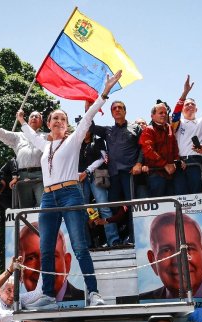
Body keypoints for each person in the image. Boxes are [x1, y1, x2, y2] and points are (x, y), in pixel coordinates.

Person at [16, 71, 123, 309]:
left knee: (79, 246)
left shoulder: (73, 140)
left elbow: (88, 116)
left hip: (71, 194)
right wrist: (22, 121)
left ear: (66, 125)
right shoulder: (44, 145)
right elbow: (31, 137)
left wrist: (104, 92)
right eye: (54, 119)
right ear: (49, 123)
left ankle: (93, 293)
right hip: (48, 197)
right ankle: (48, 295)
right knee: (46, 249)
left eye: (62, 120)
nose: (58, 122)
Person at [0, 101, 45, 208]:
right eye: (32, 116)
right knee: (25, 209)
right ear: (27, 121)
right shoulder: (18, 136)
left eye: (37, 116)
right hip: (22, 176)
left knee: (44, 206)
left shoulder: (47, 136)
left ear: (42, 122)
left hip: (41, 175)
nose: (34, 118)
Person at [138, 212, 202, 300]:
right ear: (153, 261)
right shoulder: (144, 302)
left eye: (188, 248)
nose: (179, 260)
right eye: (166, 250)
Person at [90, 100, 146, 203]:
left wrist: (139, 163)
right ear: (111, 114)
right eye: (114, 108)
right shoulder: (108, 130)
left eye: (120, 107)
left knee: (132, 204)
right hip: (113, 174)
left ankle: (132, 220)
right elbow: (90, 126)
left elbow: (143, 147)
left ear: (125, 111)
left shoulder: (136, 128)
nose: (117, 109)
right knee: (113, 203)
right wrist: (89, 108)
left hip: (130, 173)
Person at [172, 74, 202, 194]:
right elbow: (175, 114)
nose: (189, 106)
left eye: (192, 104)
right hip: (180, 163)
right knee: (181, 195)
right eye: (186, 104)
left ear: (196, 109)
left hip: (196, 164)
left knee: (198, 195)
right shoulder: (178, 123)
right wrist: (185, 93)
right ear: (182, 110)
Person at [17, 222, 84, 302]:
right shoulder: (16, 303)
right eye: (31, 258)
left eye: (51, 256)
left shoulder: (84, 299)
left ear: (67, 263)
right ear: (20, 268)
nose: (42, 268)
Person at [77, 128, 120, 247]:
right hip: (79, 179)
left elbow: (103, 158)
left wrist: (87, 170)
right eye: (82, 128)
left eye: (87, 129)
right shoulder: (75, 143)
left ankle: (113, 240)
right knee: (81, 211)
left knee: (104, 208)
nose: (84, 131)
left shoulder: (99, 141)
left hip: (96, 177)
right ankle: (85, 244)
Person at [139, 102, 178, 197]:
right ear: (152, 116)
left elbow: (174, 146)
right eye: (161, 113)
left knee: (172, 206)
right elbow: (148, 150)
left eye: (165, 113)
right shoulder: (148, 130)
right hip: (155, 174)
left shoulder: (169, 127)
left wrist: (178, 160)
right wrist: (164, 164)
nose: (164, 115)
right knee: (158, 206)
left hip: (171, 174)